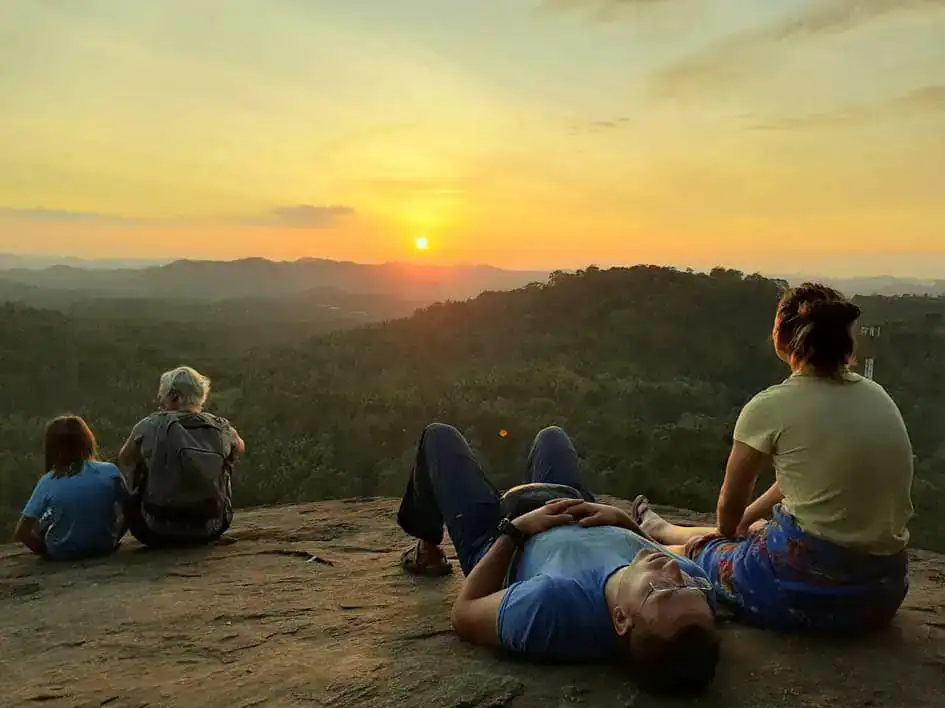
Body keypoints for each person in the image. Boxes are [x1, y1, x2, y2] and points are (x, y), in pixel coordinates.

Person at [637, 282, 914, 635]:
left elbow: (727, 511)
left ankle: (660, 540)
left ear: (783, 337)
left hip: (810, 595)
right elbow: (798, 484)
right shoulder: (877, 395)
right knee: (756, 529)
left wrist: (728, 531)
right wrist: (747, 520)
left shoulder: (770, 406)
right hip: (881, 594)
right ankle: (664, 528)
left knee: (713, 552)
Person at [396, 423, 720, 696]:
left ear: (621, 619)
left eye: (662, 589)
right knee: (552, 437)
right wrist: (622, 522)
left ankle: (428, 550)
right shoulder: (692, 590)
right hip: (578, 509)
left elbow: (464, 613)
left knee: (439, 437)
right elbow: (674, 568)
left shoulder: (552, 605)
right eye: (687, 586)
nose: (673, 570)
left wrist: (516, 531)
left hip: (500, 538)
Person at [118, 366, 245, 548]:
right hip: (212, 527)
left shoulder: (149, 425)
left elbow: (125, 459)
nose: (159, 401)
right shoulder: (221, 427)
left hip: (154, 530)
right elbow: (239, 448)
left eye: (162, 396)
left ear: (175, 397)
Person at [14, 416, 127, 561]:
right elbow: (130, 511)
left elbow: (22, 532)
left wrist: (46, 552)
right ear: (87, 441)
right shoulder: (110, 471)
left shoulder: (49, 481)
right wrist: (115, 538)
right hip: (103, 547)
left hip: (62, 552)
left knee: (46, 519)